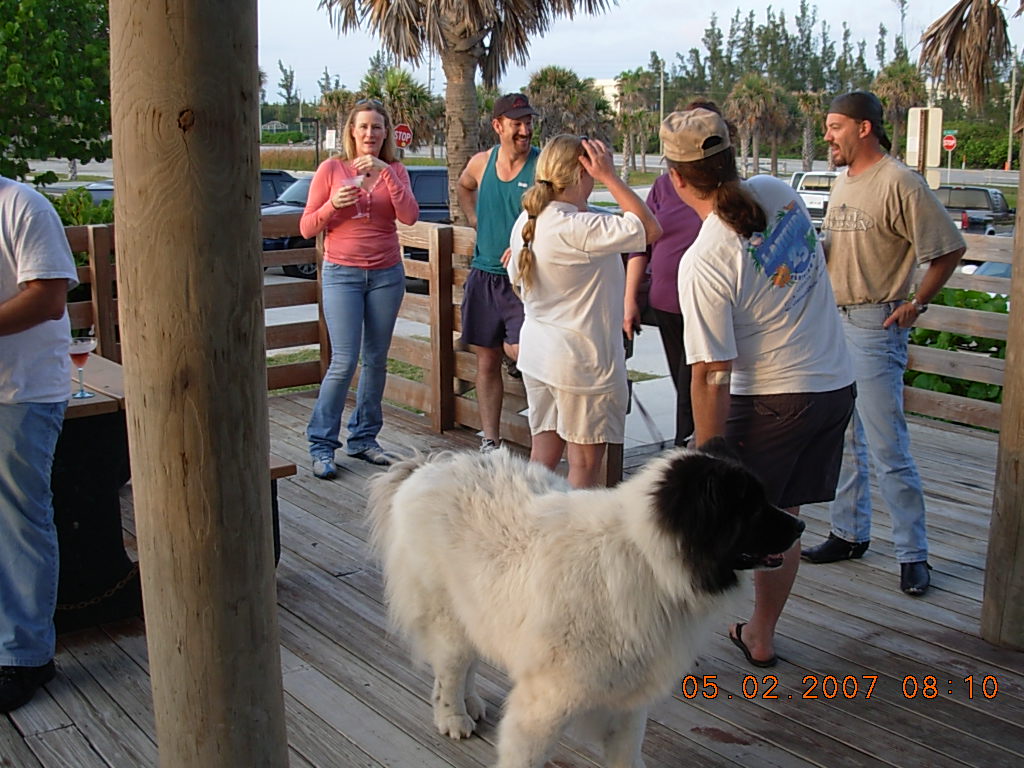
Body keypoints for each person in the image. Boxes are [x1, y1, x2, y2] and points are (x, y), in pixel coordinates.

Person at [664, 108, 855, 667]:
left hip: (773, 400)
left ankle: (678, 646)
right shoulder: (778, 191)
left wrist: (709, 453)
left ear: (676, 179)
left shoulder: (705, 257)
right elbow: (814, 259)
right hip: (832, 387)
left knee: (712, 525)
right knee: (780, 517)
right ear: (732, 155)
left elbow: (711, 371)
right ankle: (760, 635)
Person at [801, 91, 966, 597]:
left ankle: (913, 555)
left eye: (834, 127)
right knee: (845, 437)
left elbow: (949, 248)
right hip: (836, 321)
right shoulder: (843, 182)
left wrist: (916, 302)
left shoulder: (900, 182)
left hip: (876, 324)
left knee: (887, 444)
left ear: (863, 128)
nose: (827, 136)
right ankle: (849, 533)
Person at [507, 135, 660, 488]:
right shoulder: (580, 229)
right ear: (582, 174)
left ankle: (528, 528)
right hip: (581, 363)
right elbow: (650, 229)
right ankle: (572, 539)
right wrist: (611, 177)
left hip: (539, 356)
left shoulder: (529, 222)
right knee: (585, 466)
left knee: (541, 458)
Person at [301, 99, 419, 479]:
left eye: (377, 127)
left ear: (386, 134)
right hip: (342, 274)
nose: (370, 134)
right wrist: (333, 205)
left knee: (376, 359)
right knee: (344, 360)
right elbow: (307, 227)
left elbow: (410, 216)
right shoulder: (332, 169)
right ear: (352, 131)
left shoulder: (396, 170)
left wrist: (386, 172)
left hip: (386, 274)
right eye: (364, 127)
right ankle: (322, 444)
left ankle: (364, 438)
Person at [0, 177, 79, 712]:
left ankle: (24, 657)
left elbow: (49, 298)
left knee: (17, 522)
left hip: (20, 391)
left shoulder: (21, 204)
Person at [625, 102, 722, 447]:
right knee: (683, 383)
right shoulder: (664, 185)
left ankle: (687, 449)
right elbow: (641, 243)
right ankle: (689, 447)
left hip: (707, 306)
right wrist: (629, 300)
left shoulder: (725, 190)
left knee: (697, 383)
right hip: (666, 302)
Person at [456, 93, 540, 453]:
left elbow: (558, 209)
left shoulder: (542, 166)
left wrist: (530, 239)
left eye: (529, 123)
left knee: (525, 354)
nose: (525, 130)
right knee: (486, 361)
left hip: (523, 281)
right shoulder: (480, 163)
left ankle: (542, 442)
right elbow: (463, 186)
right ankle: (491, 440)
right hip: (483, 274)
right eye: (517, 123)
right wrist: (473, 218)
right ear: (498, 126)